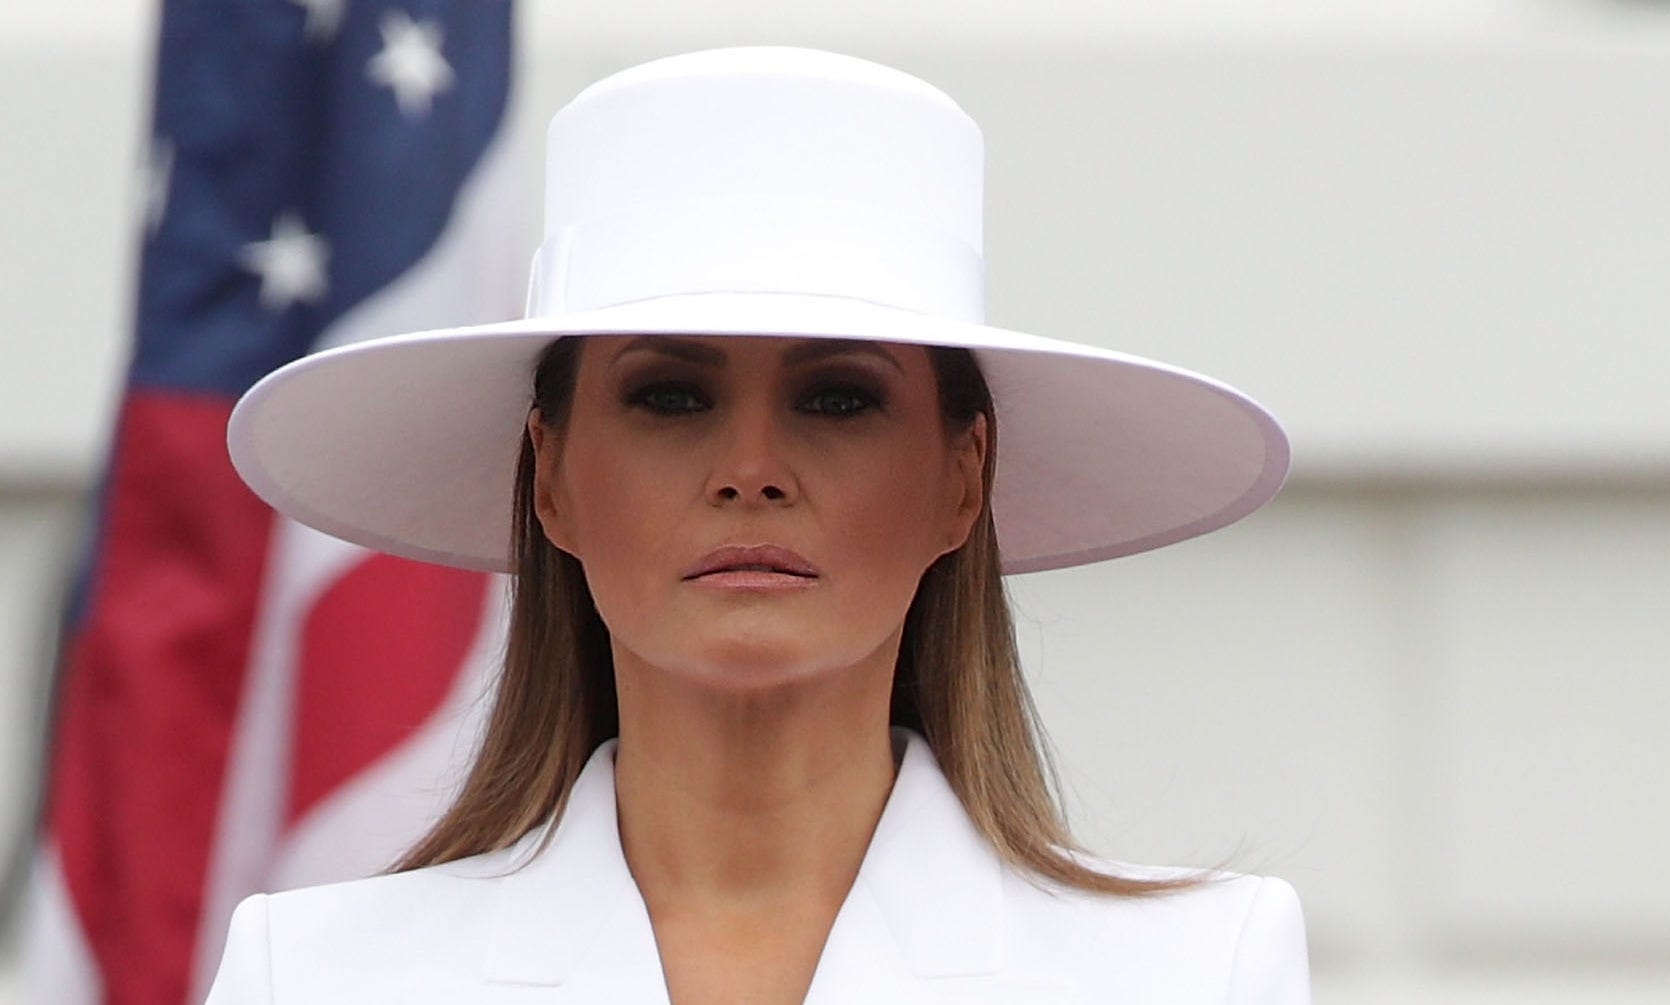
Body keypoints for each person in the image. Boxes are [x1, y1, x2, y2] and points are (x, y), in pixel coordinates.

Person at [206, 45, 1306, 1004]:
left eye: (836, 398)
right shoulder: (315, 981)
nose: (749, 472)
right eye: (669, 398)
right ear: (551, 479)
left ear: (959, 481)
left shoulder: (1189, 975)